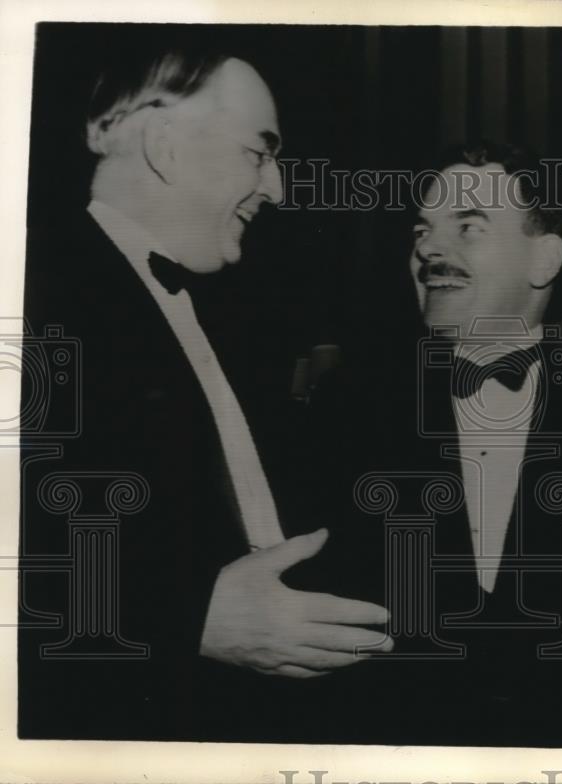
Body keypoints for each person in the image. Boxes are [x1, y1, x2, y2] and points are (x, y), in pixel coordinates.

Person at [18, 47, 390, 742]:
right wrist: (188, 617)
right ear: (164, 146)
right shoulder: (31, 292)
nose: (278, 188)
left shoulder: (226, 319)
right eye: (260, 153)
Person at [304, 142, 562, 748]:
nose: (428, 248)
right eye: (421, 230)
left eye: (469, 227)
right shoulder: (349, 409)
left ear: (544, 259)